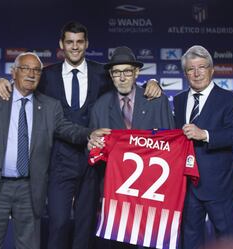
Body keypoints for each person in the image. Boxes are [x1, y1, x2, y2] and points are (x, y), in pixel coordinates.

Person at [0, 21, 161, 249]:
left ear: (86, 44)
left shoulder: (102, 73)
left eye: (79, 42)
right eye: (69, 42)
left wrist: (151, 83)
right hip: (59, 161)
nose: (74, 47)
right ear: (61, 44)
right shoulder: (47, 75)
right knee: (58, 224)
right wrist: (4, 82)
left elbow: (126, 82)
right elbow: (24, 87)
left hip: (93, 162)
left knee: (86, 226)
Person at [0, 52, 109, 249]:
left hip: (29, 189)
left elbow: (68, 129)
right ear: (13, 72)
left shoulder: (50, 107)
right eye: (25, 69)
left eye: (36, 70)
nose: (31, 74)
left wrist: (90, 134)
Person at [87, 46, 175, 249]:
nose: (123, 77)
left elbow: (170, 145)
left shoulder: (156, 100)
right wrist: (92, 146)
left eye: (127, 71)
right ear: (111, 75)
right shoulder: (100, 106)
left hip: (152, 192)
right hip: (117, 195)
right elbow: (91, 151)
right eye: (117, 72)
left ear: (136, 73)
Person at [173, 45, 233, 249]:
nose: (196, 73)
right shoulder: (178, 100)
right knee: (190, 240)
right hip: (186, 186)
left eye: (202, 67)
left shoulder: (230, 100)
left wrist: (204, 134)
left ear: (211, 70)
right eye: (190, 69)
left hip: (219, 187)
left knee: (227, 241)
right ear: (185, 73)